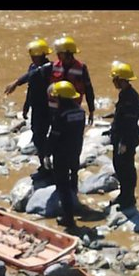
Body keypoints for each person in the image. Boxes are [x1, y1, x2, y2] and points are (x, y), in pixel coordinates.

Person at [4, 39, 54, 179]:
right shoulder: (32, 66)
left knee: (43, 137)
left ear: (42, 55)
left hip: (47, 108)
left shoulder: (48, 67)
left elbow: (33, 76)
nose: (32, 57)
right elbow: (31, 88)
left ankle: (48, 165)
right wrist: (26, 107)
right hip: (37, 107)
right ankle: (44, 164)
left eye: (34, 55)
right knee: (37, 137)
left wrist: (16, 82)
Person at [46, 81, 85, 232]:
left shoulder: (61, 115)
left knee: (62, 185)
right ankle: (75, 204)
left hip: (61, 153)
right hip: (75, 150)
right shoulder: (81, 112)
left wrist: (47, 153)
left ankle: (68, 218)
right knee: (73, 178)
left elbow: (54, 136)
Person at [106, 61, 139, 209]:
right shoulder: (125, 94)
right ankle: (124, 194)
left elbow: (129, 122)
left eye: (115, 79)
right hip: (121, 137)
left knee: (126, 168)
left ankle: (128, 197)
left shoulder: (131, 98)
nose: (114, 82)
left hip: (127, 138)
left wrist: (124, 142)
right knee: (119, 167)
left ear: (121, 80)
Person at [50, 36, 96, 126]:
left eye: (60, 53)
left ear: (68, 53)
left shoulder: (81, 68)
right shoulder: (53, 66)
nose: (58, 54)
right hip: (55, 108)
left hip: (73, 109)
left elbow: (88, 89)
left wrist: (91, 111)